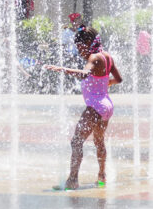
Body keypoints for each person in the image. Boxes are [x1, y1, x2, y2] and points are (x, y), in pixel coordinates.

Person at [44, 27, 123, 190]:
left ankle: (72, 181)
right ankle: (102, 177)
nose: (78, 51)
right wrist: (106, 83)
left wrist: (63, 69)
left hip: (95, 107)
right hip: (106, 106)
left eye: (79, 46)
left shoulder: (94, 57)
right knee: (99, 142)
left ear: (87, 43)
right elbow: (119, 79)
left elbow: (84, 74)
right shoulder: (107, 56)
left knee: (76, 141)